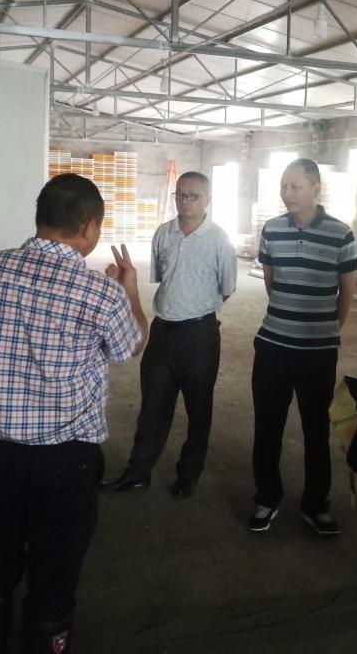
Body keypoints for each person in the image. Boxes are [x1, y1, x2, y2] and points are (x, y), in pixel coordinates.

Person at [0, 173, 147, 654]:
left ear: (41, 217)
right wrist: (129, 290)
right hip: (67, 462)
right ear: (88, 227)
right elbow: (132, 345)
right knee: (55, 572)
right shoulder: (100, 293)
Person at [101, 172, 237, 498]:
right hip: (163, 331)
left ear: (207, 200)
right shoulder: (163, 233)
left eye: (193, 196)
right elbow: (163, 277)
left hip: (200, 335)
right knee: (152, 407)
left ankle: (188, 474)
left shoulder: (219, 240)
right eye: (180, 195)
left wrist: (198, 308)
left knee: (198, 409)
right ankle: (138, 472)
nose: (184, 202)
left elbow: (228, 287)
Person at [249, 158, 357, 535]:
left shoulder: (341, 234)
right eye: (283, 186)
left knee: (316, 429)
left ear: (315, 188)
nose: (287, 193)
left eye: (295, 186)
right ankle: (267, 497)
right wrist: (288, 316)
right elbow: (270, 281)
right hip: (273, 345)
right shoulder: (272, 229)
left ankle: (316, 504)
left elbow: (347, 290)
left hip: (317, 353)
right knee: (268, 427)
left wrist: (326, 329)